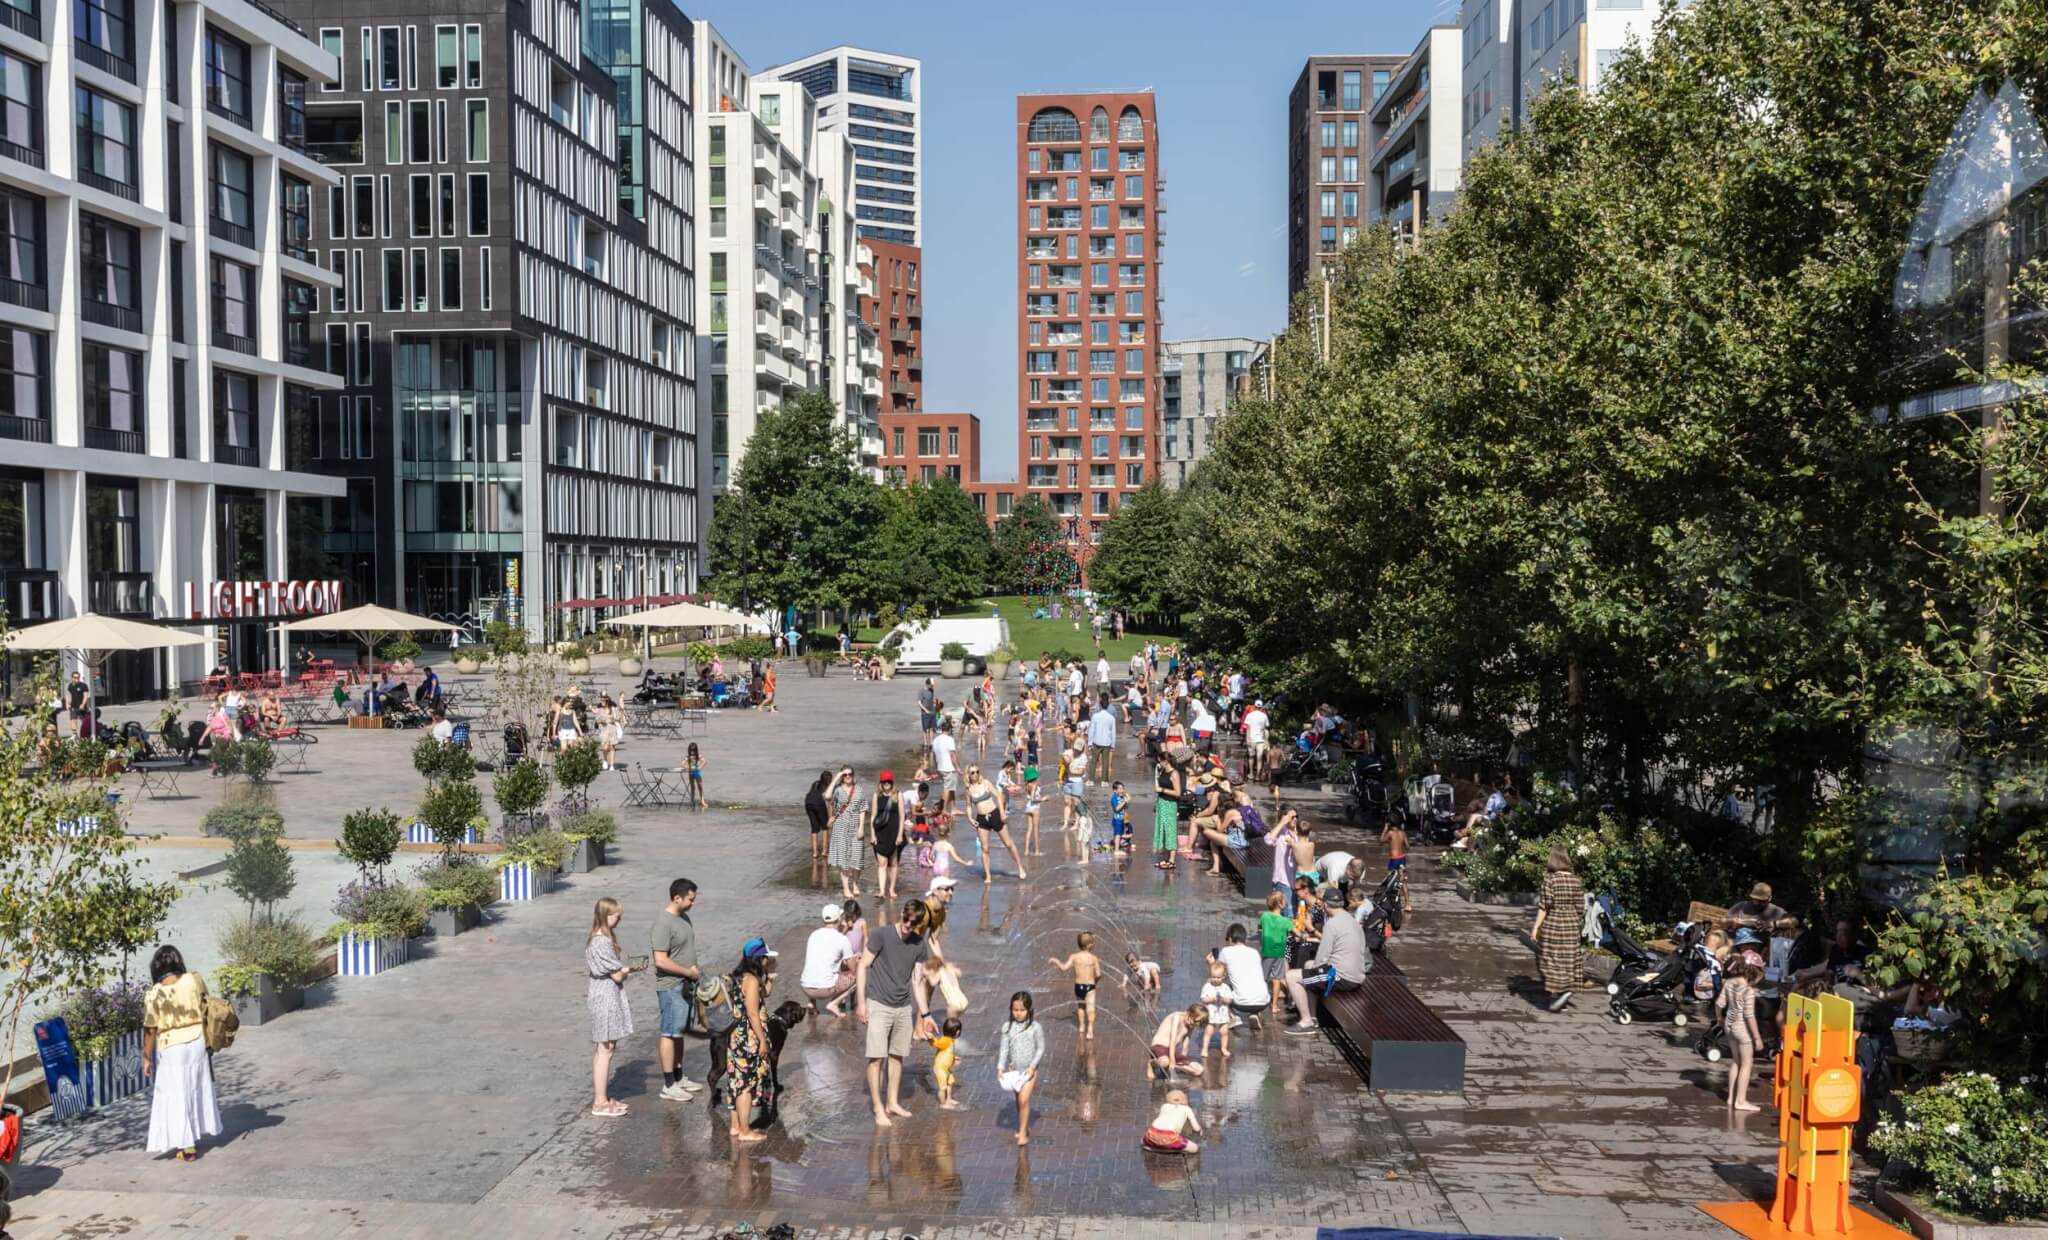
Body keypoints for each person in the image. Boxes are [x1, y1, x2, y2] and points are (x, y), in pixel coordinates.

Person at [855, 900, 938, 1127]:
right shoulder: (881, 934)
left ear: (919, 924)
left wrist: (926, 1014)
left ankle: (892, 1102)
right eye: (905, 919)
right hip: (879, 1004)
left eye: (913, 923)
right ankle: (878, 1107)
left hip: (903, 1007)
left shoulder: (919, 945)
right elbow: (863, 965)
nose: (907, 925)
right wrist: (861, 1003)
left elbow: (917, 982)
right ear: (901, 913)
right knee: (876, 1058)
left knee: (897, 1056)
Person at [142, 945, 220, 1160]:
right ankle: (192, 1137)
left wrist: (146, 1057)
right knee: (195, 1088)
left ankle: (187, 1147)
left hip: (171, 1045)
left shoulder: (154, 993)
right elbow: (207, 1005)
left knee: (177, 1095)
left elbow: (150, 1029)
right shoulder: (194, 980)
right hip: (196, 1040)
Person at [1282, 887, 1370, 1032]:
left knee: (1291, 976)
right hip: (1357, 974)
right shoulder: (1351, 919)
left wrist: (1308, 973)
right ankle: (1313, 1016)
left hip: (1341, 977)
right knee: (1308, 966)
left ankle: (1306, 1022)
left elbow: (1322, 958)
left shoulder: (1332, 924)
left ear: (1326, 905)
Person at [585, 897, 638, 1118]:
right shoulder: (602, 942)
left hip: (600, 995)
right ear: (607, 915)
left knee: (603, 1048)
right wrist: (628, 969)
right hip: (605, 996)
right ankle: (600, 1101)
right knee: (606, 1049)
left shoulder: (597, 939)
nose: (619, 920)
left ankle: (602, 1098)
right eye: (617, 916)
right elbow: (616, 975)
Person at [651, 879, 702, 1100]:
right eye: (690, 899)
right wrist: (687, 972)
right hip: (671, 987)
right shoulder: (663, 924)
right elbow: (660, 961)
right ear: (677, 897)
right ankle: (668, 1084)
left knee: (679, 1031)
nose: (693, 904)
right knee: (669, 1032)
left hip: (686, 985)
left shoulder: (684, 918)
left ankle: (680, 1076)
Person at [726, 939, 778, 1142]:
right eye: (766, 958)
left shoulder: (737, 977)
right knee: (746, 1084)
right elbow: (753, 1013)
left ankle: (735, 1126)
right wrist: (763, 1040)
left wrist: (770, 976)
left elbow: (765, 993)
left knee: (735, 1081)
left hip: (735, 1034)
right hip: (748, 1037)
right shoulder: (752, 980)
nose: (768, 961)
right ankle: (746, 1130)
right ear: (760, 959)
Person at [1530, 847, 1587, 1011]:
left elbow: (1544, 907)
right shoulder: (1576, 881)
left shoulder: (1550, 880)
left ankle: (1562, 994)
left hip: (1553, 924)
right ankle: (1560, 999)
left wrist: (1535, 928)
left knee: (1551, 960)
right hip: (1570, 924)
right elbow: (1580, 907)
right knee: (1568, 959)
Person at [995, 991, 1044, 1146]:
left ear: (1029, 1009)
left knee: (1024, 1100)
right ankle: (1023, 1126)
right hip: (1015, 1070)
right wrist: (1000, 1067)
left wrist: (1032, 1066)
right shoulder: (1007, 1027)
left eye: (1022, 1010)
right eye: (1015, 1010)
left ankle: (1023, 1133)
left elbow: (1041, 1049)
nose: (1018, 1014)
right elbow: (1004, 1049)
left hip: (1030, 1070)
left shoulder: (1035, 1028)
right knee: (1019, 1102)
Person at [964, 764, 1026, 883]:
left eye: (977, 771)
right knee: (985, 848)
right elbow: (968, 806)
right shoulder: (968, 790)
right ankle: (988, 876)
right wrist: (970, 818)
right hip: (981, 819)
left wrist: (1002, 813)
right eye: (972, 773)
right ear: (968, 775)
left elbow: (998, 796)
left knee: (1008, 843)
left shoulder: (986, 783)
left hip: (995, 815)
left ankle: (1020, 867)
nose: (975, 774)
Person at [1718, 957, 1765, 1111]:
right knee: (1746, 1064)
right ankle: (1741, 1100)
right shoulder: (1748, 991)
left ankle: (1731, 1098)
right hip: (1742, 1030)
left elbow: (1719, 1003)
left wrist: (1720, 1018)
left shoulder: (1729, 983)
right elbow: (1749, 1016)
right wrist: (1757, 1037)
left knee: (1736, 1062)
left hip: (1729, 1025)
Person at [801, 903, 857, 1015]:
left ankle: (812, 1003)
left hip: (805, 987)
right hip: (824, 989)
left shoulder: (814, 934)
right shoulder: (841, 939)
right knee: (857, 977)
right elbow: (853, 967)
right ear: (840, 919)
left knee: (816, 966)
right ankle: (834, 1003)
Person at [1048, 932, 1102, 1040]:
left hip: (1078, 986)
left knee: (1081, 1007)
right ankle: (1090, 1029)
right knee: (1090, 1009)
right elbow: (1099, 974)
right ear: (1090, 945)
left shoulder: (1074, 957)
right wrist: (1095, 981)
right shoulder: (1094, 958)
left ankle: (1082, 1026)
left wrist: (1056, 961)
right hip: (1090, 987)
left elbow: (1064, 967)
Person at [865, 770, 908, 903]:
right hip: (880, 833)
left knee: (894, 863)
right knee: (882, 864)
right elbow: (873, 816)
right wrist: (872, 834)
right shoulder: (876, 796)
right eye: (884, 782)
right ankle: (882, 890)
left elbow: (902, 817)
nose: (887, 784)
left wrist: (900, 834)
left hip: (894, 833)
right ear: (881, 783)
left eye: (889, 781)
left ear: (892, 782)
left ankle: (892, 889)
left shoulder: (898, 795)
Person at [1216, 922, 1272, 1026]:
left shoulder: (1225, 951)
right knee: (1253, 982)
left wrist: (1211, 963)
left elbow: (1217, 975)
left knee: (1219, 986)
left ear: (1230, 939)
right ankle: (1255, 1014)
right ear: (1245, 939)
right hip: (1264, 1002)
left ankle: (1232, 1016)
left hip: (1241, 1004)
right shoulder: (1254, 952)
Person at [825, 767, 865, 900]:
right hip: (840, 826)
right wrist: (836, 777)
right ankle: (846, 888)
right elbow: (827, 796)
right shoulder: (837, 789)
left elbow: (862, 809)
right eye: (845, 774)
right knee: (844, 859)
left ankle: (855, 883)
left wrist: (861, 828)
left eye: (850, 774)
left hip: (855, 826)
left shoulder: (859, 789)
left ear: (853, 775)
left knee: (857, 857)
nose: (847, 776)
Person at [1149, 1004, 1206, 1080]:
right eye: (1195, 1021)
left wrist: (1183, 1060)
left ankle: (1171, 1067)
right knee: (1165, 1062)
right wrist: (1172, 1061)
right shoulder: (1176, 1017)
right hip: (1159, 1046)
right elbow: (1172, 1040)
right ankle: (1152, 1064)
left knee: (1199, 1070)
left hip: (1170, 1051)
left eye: (1197, 1024)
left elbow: (1186, 1045)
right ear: (1188, 1013)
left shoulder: (1191, 1024)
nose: (1194, 1024)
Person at [1143, 1088, 1202, 1153]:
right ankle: (1168, 1150)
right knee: (1195, 1148)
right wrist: (1200, 1131)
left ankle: (1153, 1147)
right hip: (1170, 1137)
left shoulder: (1164, 1106)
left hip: (1151, 1133)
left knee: (1144, 1140)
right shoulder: (1187, 1109)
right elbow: (1196, 1128)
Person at [1152, 752, 1183, 871]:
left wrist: (1163, 789)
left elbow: (1178, 793)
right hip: (1162, 803)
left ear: (1166, 761)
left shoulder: (1174, 774)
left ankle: (1172, 860)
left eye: (1160, 761)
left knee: (1170, 830)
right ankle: (1166, 857)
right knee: (1163, 830)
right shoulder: (1163, 771)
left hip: (1170, 804)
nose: (1159, 763)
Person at [1198, 960, 1235, 1061]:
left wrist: (1224, 999)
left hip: (1223, 1015)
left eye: (1218, 977)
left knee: (1224, 1032)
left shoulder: (1226, 987)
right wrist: (1211, 999)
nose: (1215, 979)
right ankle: (1205, 1048)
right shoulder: (1207, 986)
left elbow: (1230, 1000)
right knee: (1208, 1032)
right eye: (1213, 977)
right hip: (1211, 1015)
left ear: (1223, 977)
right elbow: (1203, 999)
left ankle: (1223, 1048)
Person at [1727, 882, 1793, 934]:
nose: (1757, 903)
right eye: (1755, 899)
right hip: (1737, 940)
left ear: (1769, 898)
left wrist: (1773, 924)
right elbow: (1723, 920)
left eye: (1762, 901)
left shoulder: (1776, 911)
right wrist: (1731, 921)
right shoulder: (1742, 906)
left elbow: (1792, 922)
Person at [933, 1016, 965, 1110]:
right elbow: (936, 1044)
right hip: (940, 1069)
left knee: (950, 1083)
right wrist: (931, 1039)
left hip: (946, 1068)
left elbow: (948, 1052)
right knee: (942, 1087)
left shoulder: (950, 1040)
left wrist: (954, 1058)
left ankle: (949, 1099)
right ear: (957, 1032)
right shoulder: (946, 1040)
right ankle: (943, 1104)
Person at [931, 718, 960, 821]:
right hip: (949, 768)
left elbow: (934, 755)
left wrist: (936, 766)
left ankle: (954, 808)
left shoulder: (935, 740)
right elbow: (953, 755)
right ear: (949, 730)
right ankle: (943, 810)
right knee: (947, 789)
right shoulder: (950, 739)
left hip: (940, 767)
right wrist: (958, 767)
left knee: (951, 788)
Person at [1087, 691, 1118, 784]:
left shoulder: (1095, 716)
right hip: (1107, 742)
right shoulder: (1111, 718)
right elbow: (1113, 732)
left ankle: (1091, 780)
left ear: (1100, 704)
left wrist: (1089, 742)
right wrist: (1113, 744)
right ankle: (1104, 780)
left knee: (1093, 761)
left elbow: (1091, 730)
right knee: (1105, 762)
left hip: (1096, 741)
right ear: (1108, 705)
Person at [805, 770, 833, 860]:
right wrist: (830, 817)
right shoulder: (828, 786)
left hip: (808, 802)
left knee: (814, 828)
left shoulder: (815, 783)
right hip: (818, 803)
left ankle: (815, 853)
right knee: (825, 827)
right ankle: (824, 851)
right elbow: (829, 803)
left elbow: (812, 793)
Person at [1108, 781, 1130, 852]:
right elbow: (1116, 809)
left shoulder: (1121, 797)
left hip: (1121, 819)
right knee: (1117, 835)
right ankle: (1116, 850)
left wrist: (1126, 801)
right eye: (1120, 789)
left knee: (1119, 834)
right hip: (1117, 819)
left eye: (1122, 789)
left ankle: (1116, 846)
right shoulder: (1114, 798)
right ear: (1115, 790)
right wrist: (1124, 801)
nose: (1122, 790)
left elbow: (1125, 807)